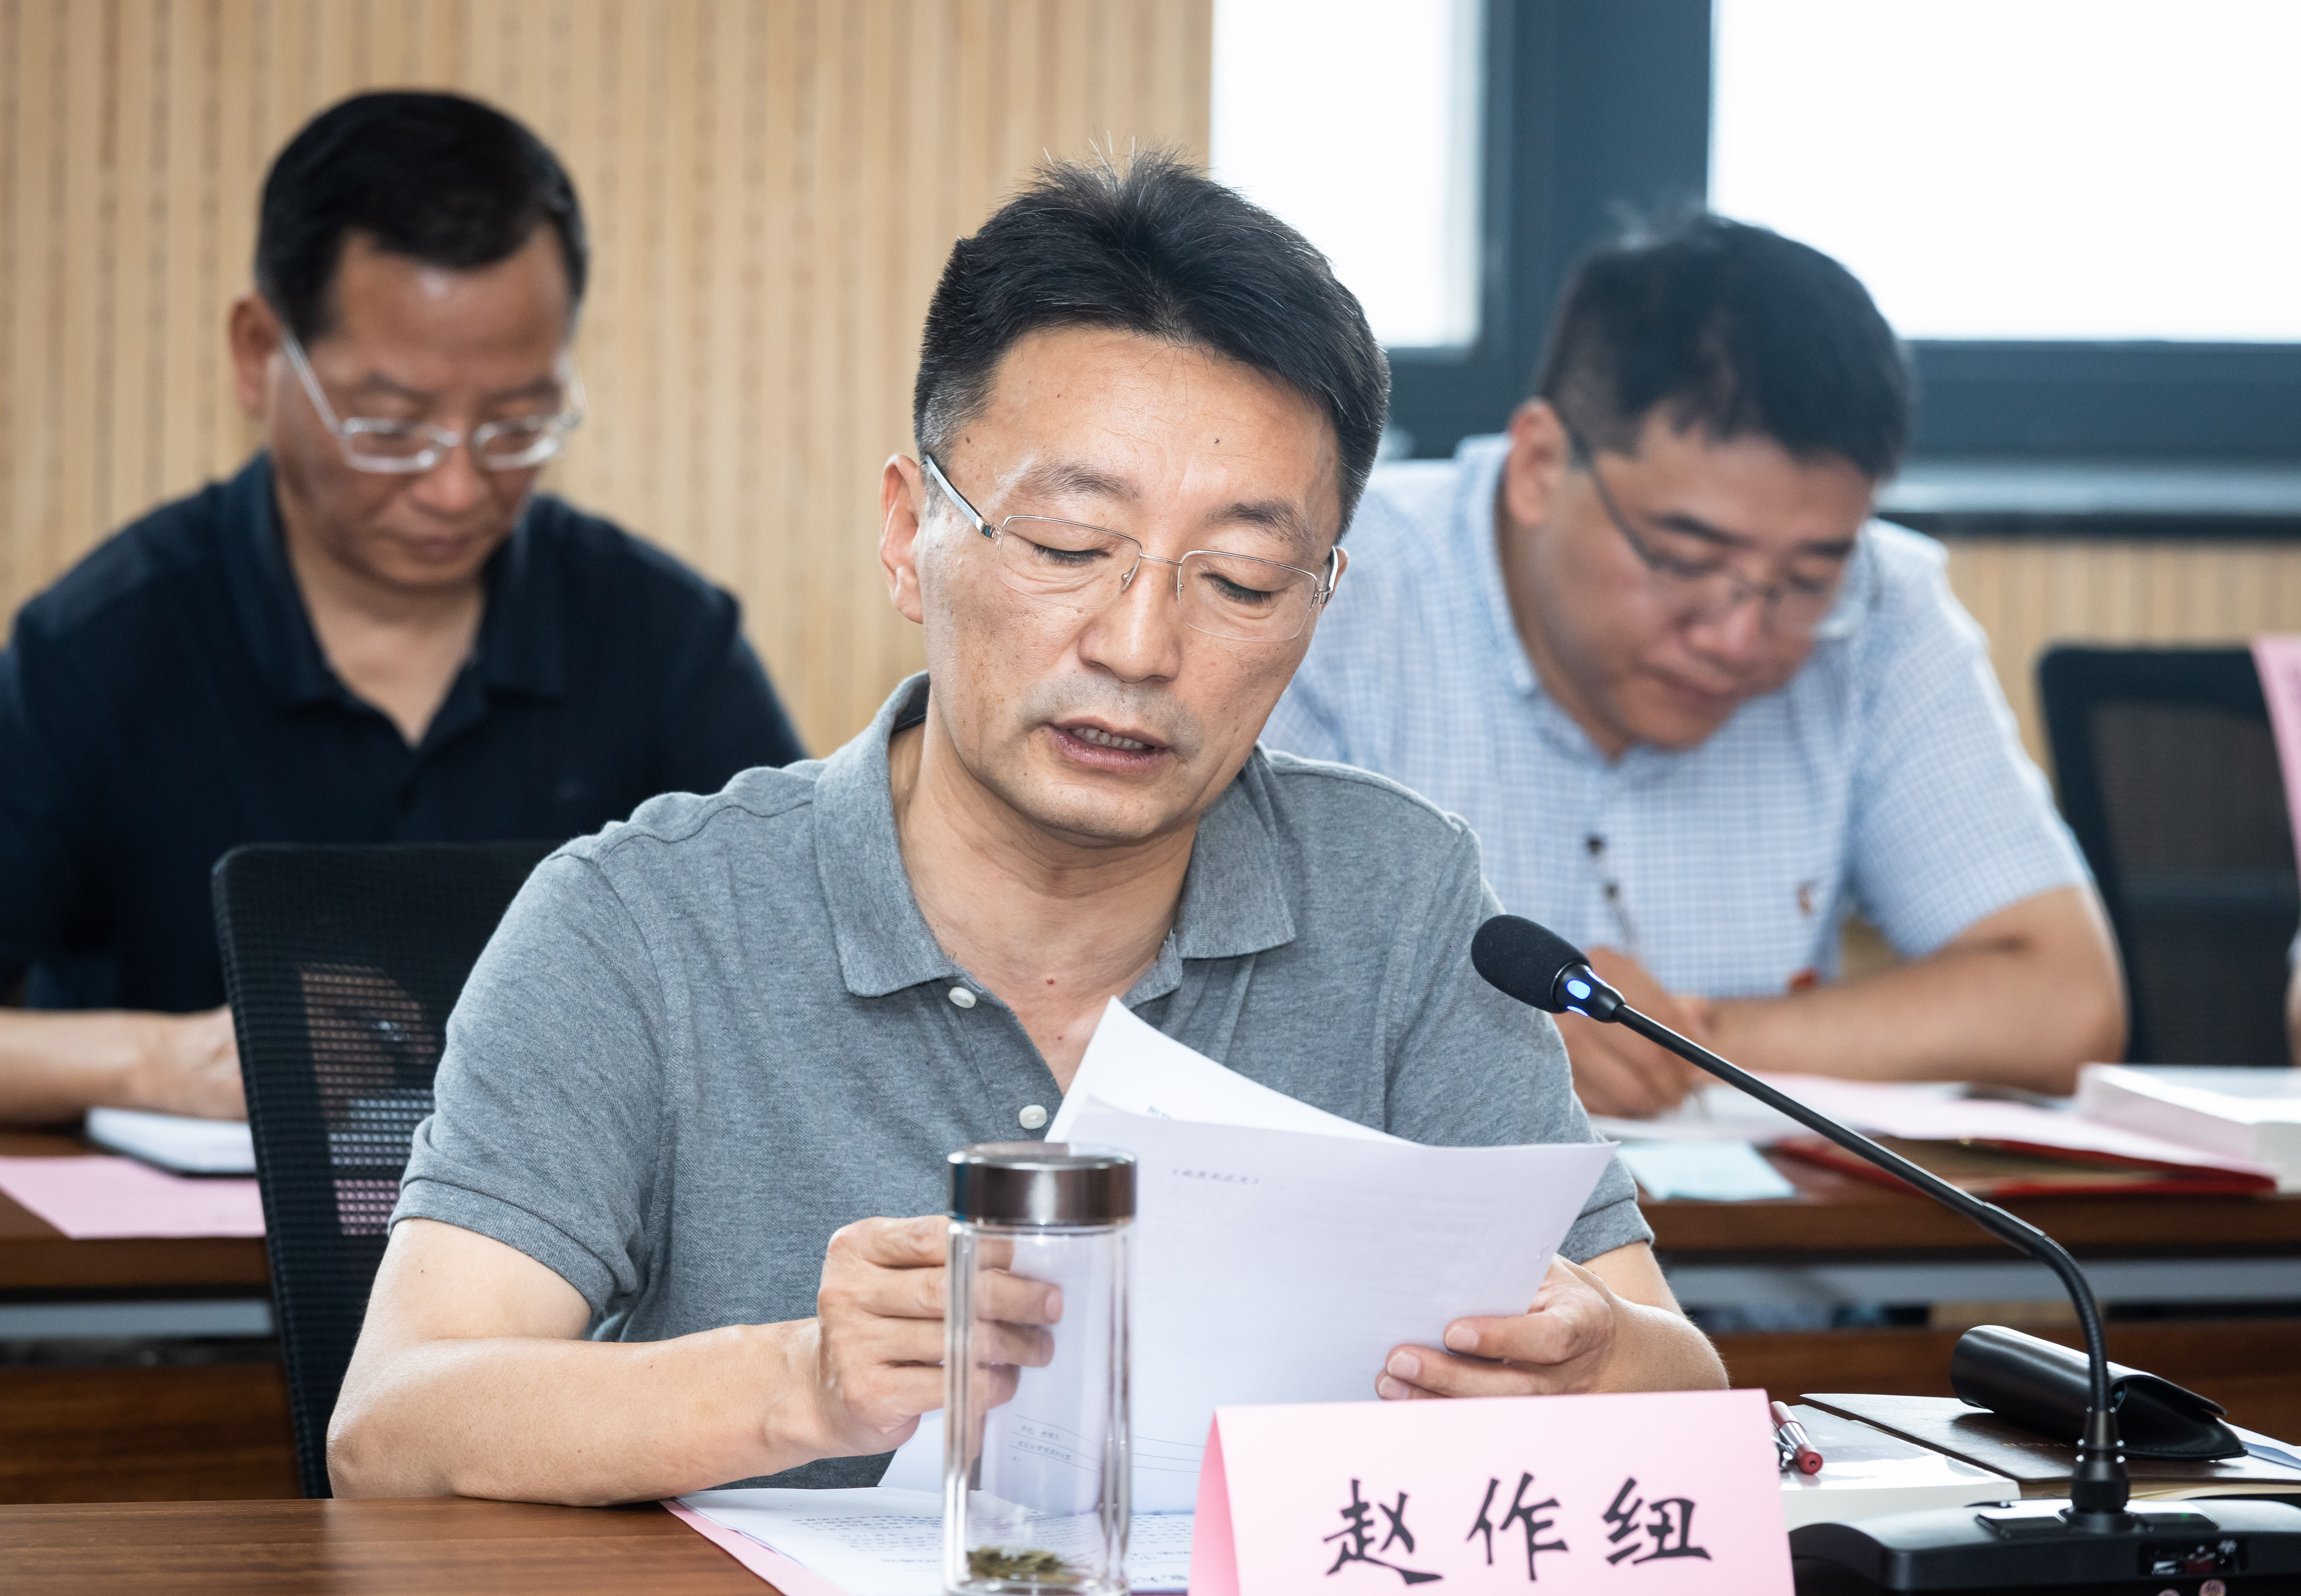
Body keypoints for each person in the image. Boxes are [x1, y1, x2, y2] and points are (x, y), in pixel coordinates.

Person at [326, 152, 1725, 1505]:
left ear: (1320, 599)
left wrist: (1594, 1360)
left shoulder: (1399, 897)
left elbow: (1675, 1375)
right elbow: (393, 1422)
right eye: (1065, 549)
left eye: (1243, 580)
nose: (1139, 645)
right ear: (906, 532)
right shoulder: (641, 919)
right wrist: (797, 1387)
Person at [0, 92, 803, 1125]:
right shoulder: (106, 643)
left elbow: (810, 988)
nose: (456, 489)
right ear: (259, 354)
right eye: (390, 428)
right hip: (189, 1231)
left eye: (516, 424)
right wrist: (160, 1062)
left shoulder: (663, 641)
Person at [1262, 216, 2124, 1119]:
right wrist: (1470, 1037)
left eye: (1804, 579)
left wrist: (1675, 1042)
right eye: (1683, 558)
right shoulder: (1326, 592)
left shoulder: (1879, 607)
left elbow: (2064, 999)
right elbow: (1205, 998)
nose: (1737, 636)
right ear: (1540, 466)